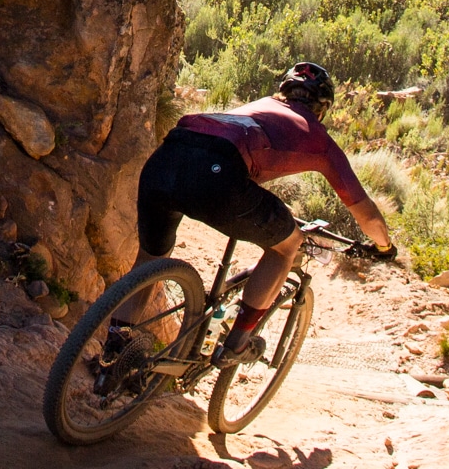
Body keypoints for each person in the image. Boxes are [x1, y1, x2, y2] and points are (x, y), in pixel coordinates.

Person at [127, 62, 396, 366]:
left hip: (165, 158)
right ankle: (238, 344)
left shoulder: (259, 107)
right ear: (322, 108)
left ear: (284, 92)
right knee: (287, 246)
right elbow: (365, 212)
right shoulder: (318, 138)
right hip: (218, 173)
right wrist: (384, 247)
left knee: (149, 260)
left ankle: (115, 346)